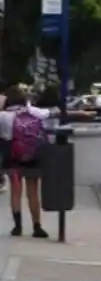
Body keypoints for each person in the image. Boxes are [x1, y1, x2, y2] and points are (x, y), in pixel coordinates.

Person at [0, 85, 91, 237]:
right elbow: (55, 112)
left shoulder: (4, 116)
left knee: (15, 192)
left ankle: (17, 227)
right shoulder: (34, 112)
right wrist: (81, 113)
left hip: (13, 158)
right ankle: (37, 226)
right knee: (33, 192)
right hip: (32, 156)